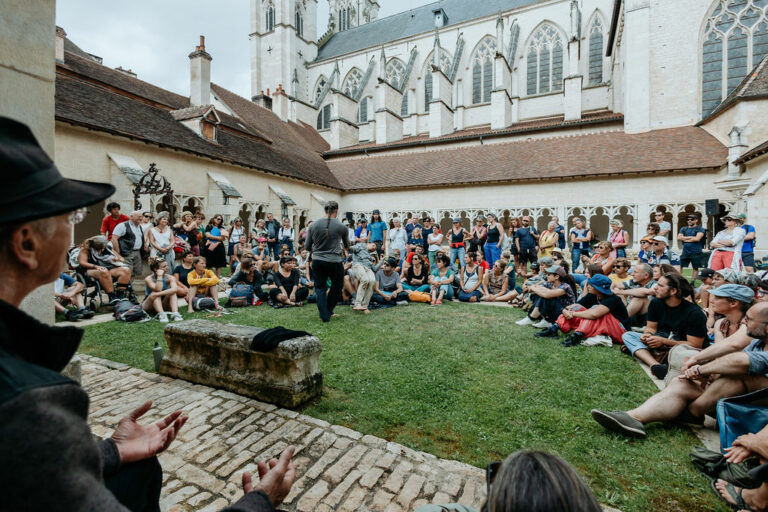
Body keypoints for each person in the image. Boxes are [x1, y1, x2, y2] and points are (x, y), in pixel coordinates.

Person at [0, 118, 297, 511]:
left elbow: (39, 474)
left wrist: (111, 451)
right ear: (25, 242)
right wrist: (261, 500)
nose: (74, 227)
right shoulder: (24, 399)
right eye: (69, 217)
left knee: (139, 469)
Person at [591, 301, 768, 439]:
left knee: (738, 375)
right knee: (682, 382)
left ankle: (692, 412)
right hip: (730, 398)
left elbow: (742, 361)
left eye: (749, 320)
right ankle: (633, 418)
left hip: (757, 406)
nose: (744, 322)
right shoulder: (757, 342)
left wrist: (702, 369)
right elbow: (731, 352)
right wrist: (700, 364)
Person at [620, 272, 705, 379]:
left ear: (673, 291)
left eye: (660, 286)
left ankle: (644, 353)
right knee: (628, 336)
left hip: (680, 346)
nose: (655, 288)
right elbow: (651, 327)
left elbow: (695, 344)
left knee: (690, 355)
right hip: (660, 340)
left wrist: (663, 341)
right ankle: (655, 365)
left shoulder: (694, 313)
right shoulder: (656, 303)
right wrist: (647, 335)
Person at [537, 274, 629, 347]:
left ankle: (577, 336)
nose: (588, 286)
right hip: (604, 326)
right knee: (577, 307)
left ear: (598, 288)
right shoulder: (593, 295)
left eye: (591, 285)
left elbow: (594, 314)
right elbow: (575, 306)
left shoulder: (613, 299)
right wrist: (565, 310)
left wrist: (573, 314)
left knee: (595, 311)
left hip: (620, 331)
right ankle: (554, 329)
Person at [305, 201, 350, 322]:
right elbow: (347, 245)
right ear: (337, 210)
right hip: (335, 261)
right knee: (337, 286)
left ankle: (324, 314)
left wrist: (317, 248)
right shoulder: (341, 226)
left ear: (325, 210)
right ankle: (328, 310)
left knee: (320, 288)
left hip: (318, 260)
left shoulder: (313, 225)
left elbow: (307, 246)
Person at [77, 235, 133, 303]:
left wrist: (117, 259)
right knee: (104, 271)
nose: (103, 248)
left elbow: (121, 259)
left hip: (108, 268)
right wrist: (95, 266)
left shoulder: (107, 248)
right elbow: (82, 262)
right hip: (90, 270)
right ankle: (111, 296)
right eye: (102, 247)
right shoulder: (86, 250)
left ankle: (120, 294)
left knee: (126, 270)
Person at [111, 210, 146, 280]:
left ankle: (129, 288)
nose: (141, 218)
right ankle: (125, 288)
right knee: (128, 272)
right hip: (126, 252)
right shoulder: (122, 225)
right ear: (132, 217)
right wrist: (118, 252)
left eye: (141, 217)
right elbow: (114, 238)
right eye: (139, 216)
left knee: (134, 273)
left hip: (137, 252)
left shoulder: (139, 226)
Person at [349, 242, 384, 312]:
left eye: (375, 248)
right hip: (358, 265)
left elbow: (374, 269)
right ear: (368, 243)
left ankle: (365, 306)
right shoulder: (361, 245)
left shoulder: (369, 257)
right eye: (373, 245)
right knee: (365, 279)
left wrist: (382, 260)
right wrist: (348, 246)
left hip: (367, 268)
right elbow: (352, 249)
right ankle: (357, 304)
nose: (374, 248)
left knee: (372, 281)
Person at [676, 213, 707, 281]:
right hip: (685, 251)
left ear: (696, 220)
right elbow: (678, 237)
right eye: (688, 219)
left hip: (696, 252)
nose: (689, 221)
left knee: (695, 268)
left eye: (692, 219)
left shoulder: (700, 229)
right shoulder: (684, 229)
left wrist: (685, 238)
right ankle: (680, 281)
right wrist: (692, 238)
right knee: (680, 266)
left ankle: (693, 282)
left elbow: (697, 239)